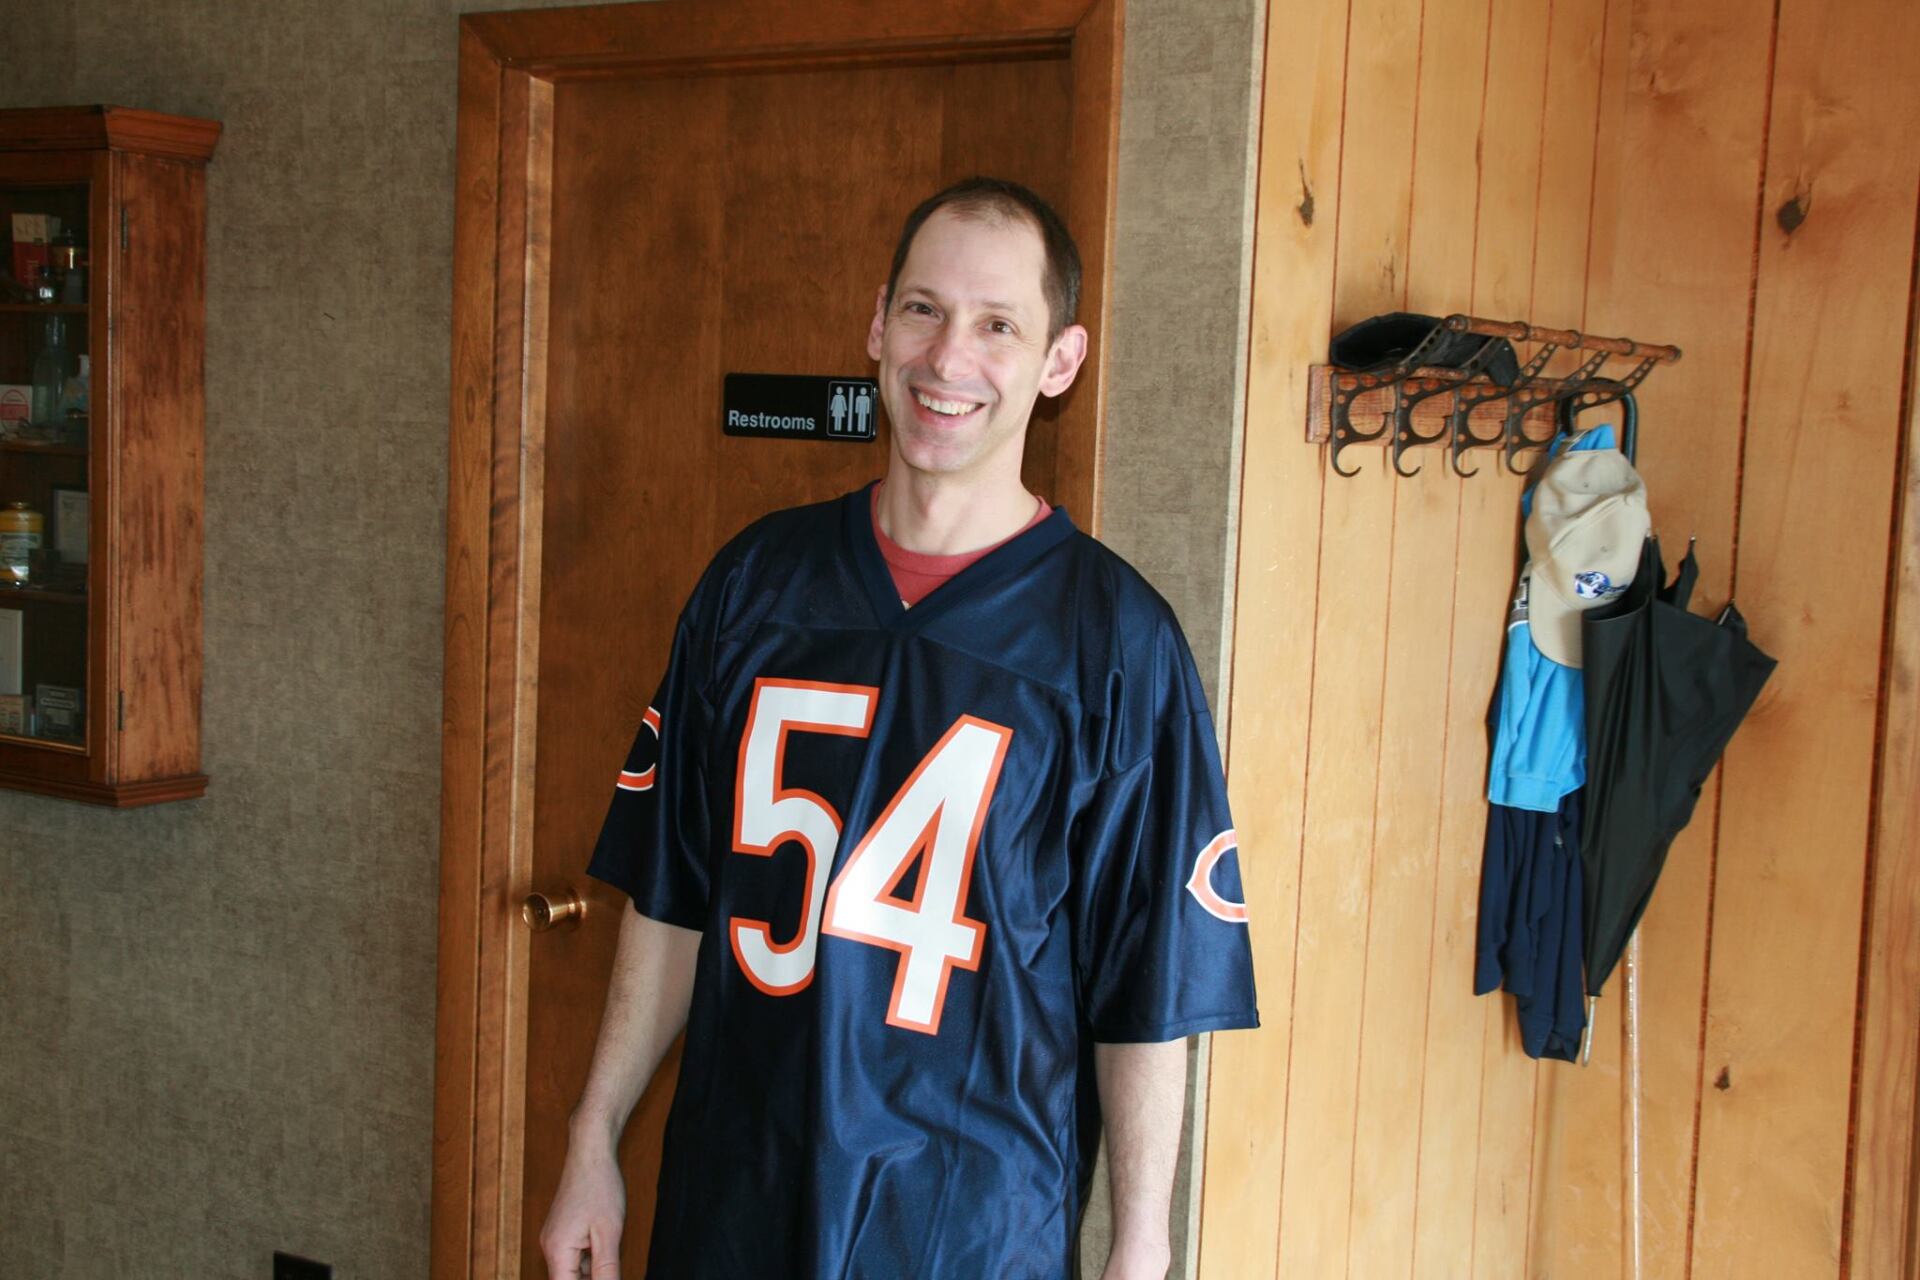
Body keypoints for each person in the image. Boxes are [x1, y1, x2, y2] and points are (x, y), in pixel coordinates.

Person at [541, 177, 1258, 1280]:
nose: (947, 357)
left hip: (971, 1228)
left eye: (997, 324)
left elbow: (1148, 983)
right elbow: (672, 893)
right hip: (739, 1202)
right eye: (924, 309)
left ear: (1058, 362)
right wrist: (595, 1130)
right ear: (877, 322)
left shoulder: (1117, 645)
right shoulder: (753, 584)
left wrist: (1142, 1244)